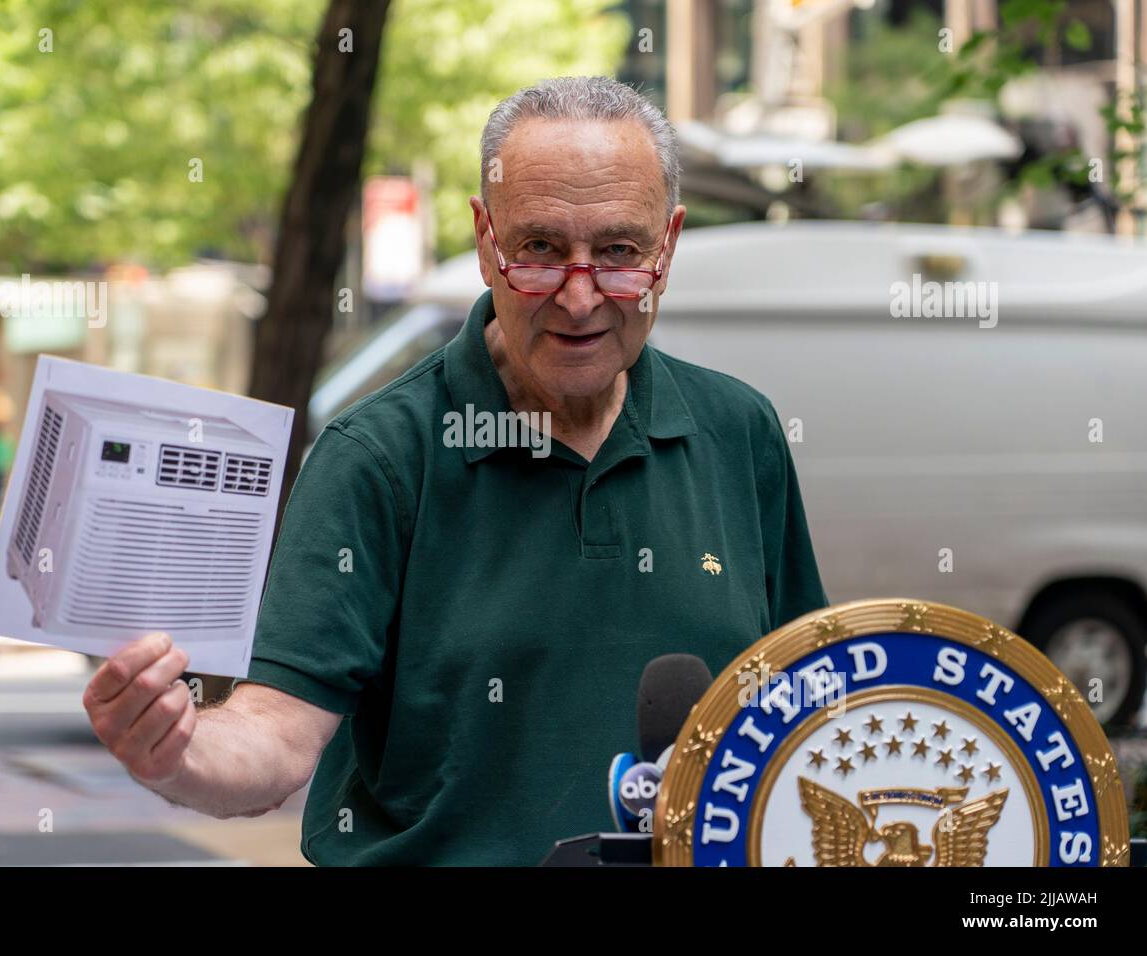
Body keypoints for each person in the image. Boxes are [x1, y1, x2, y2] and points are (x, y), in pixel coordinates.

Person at [84, 75, 828, 865]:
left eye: (619, 253)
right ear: (484, 239)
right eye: (539, 250)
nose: (579, 298)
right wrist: (180, 752)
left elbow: (807, 714)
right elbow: (274, 733)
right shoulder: (378, 458)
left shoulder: (739, 433)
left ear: (667, 247)